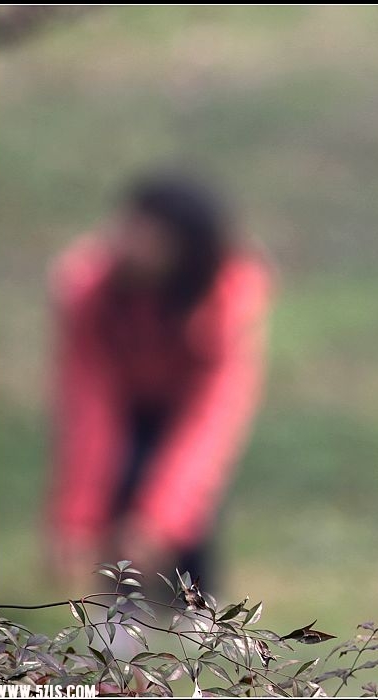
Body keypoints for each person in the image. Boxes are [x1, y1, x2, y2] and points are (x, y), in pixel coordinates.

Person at [46, 174, 272, 593]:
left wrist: (159, 520)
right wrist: (76, 519)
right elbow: (88, 408)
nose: (129, 245)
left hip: (185, 411)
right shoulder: (90, 291)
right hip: (125, 405)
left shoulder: (224, 305)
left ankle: (200, 614)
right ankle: (121, 614)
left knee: (197, 506)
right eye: (129, 226)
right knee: (124, 475)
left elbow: (209, 424)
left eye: (152, 239)